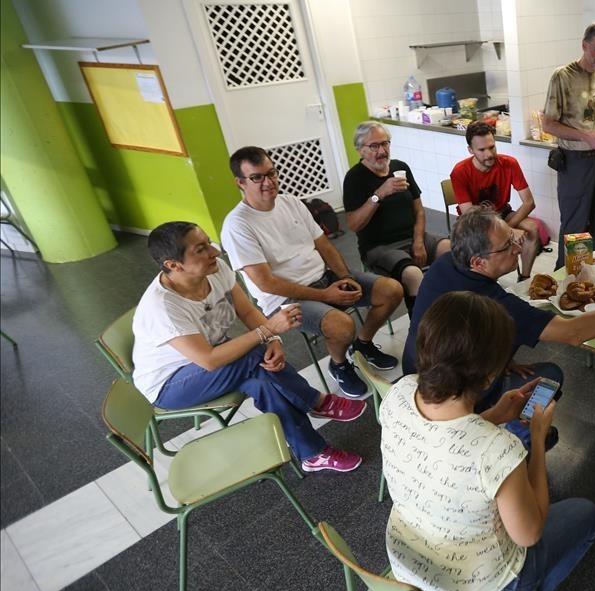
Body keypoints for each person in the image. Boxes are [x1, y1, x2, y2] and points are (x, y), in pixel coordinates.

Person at [380, 290, 595, 591]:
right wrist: (536, 437)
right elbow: (529, 534)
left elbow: (442, 442)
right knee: (587, 515)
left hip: (405, 564)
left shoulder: (399, 393)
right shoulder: (496, 449)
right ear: (491, 375)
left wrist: (495, 415)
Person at [132, 221, 365, 473]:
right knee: (253, 354)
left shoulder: (215, 269)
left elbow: (246, 310)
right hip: (170, 384)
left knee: (263, 381)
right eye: (201, 249)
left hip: (217, 363)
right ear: (173, 265)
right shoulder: (163, 308)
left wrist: (273, 341)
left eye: (209, 242)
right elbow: (209, 360)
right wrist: (268, 332)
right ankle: (316, 401)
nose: (215, 251)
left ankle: (312, 454)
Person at [402, 209, 595, 412]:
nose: (518, 246)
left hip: (418, 375)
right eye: (507, 245)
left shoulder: (447, 263)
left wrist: (497, 358)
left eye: (513, 237)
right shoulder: (495, 304)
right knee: (549, 376)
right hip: (448, 397)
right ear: (478, 262)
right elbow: (573, 333)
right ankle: (521, 434)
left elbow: (459, 336)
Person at [221, 146, 405, 400]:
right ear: (240, 183)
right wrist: (326, 296)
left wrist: (346, 278)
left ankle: (362, 345)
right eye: (257, 177)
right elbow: (266, 283)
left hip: (325, 279)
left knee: (392, 290)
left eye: (271, 173)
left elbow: (325, 246)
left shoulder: (292, 202)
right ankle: (339, 365)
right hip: (284, 300)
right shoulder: (237, 225)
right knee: (342, 326)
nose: (268, 182)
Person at [542, 21, 595, 269]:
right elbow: (548, 124)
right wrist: (585, 136)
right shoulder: (563, 76)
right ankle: (562, 284)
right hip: (575, 162)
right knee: (574, 228)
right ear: (584, 45)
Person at [343, 121, 451, 315]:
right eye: (374, 146)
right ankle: (420, 330)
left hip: (413, 237)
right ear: (360, 150)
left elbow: (418, 210)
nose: (382, 151)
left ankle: (449, 311)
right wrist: (379, 194)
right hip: (379, 247)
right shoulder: (355, 178)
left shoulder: (400, 167)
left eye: (385, 144)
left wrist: (418, 241)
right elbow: (353, 224)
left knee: (452, 251)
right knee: (413, 274)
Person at [451, 121, 540, 281]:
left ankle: (524, 279)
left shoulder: (509, 163)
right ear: (470, 150)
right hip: (473, 222)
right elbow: (470, 215)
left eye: (492, 147)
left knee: (532, 228)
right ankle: (486, 283)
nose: (489, 154)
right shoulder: (460, 172)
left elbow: (529, 202)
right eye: (482, 150)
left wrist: (507, 227)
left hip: (501, 213)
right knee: (489, 244)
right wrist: (507, 231)